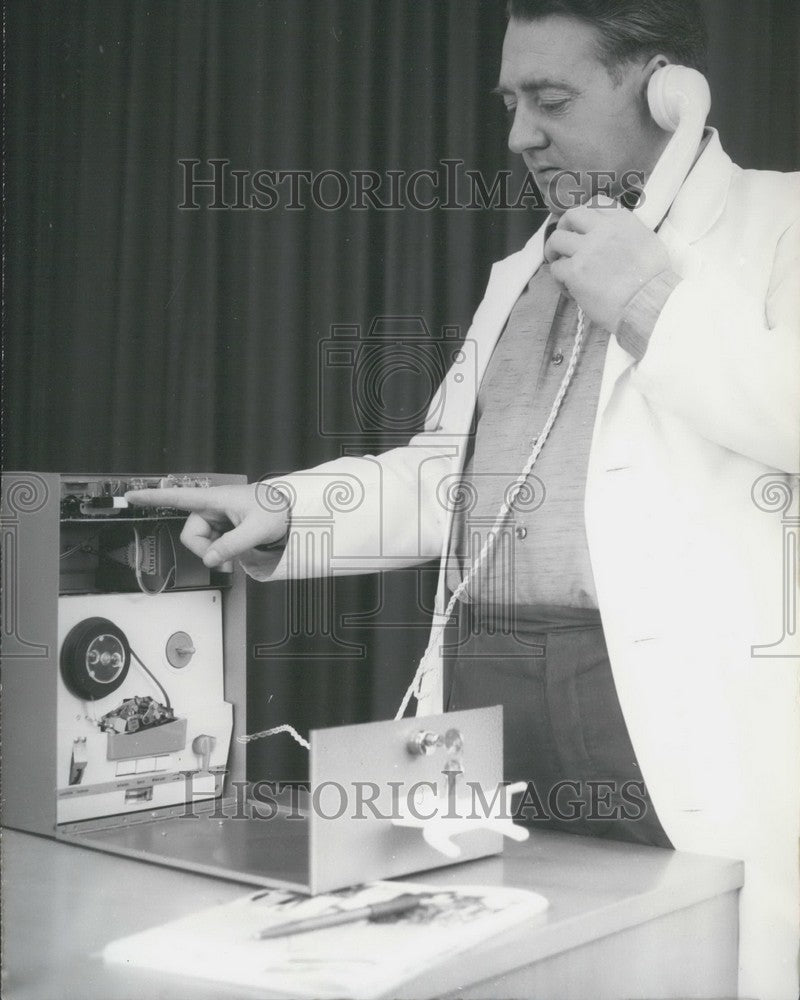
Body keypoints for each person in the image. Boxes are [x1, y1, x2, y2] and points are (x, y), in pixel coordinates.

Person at [127, 2, 800, 995]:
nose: (518, 133)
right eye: (509, 101)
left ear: (667, 91)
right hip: (493, 720)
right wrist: (287, 507)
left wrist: (651, 303)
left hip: (661, 722)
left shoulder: (778, 224)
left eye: (550, 98)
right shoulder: (523, 271)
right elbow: (454, 471)